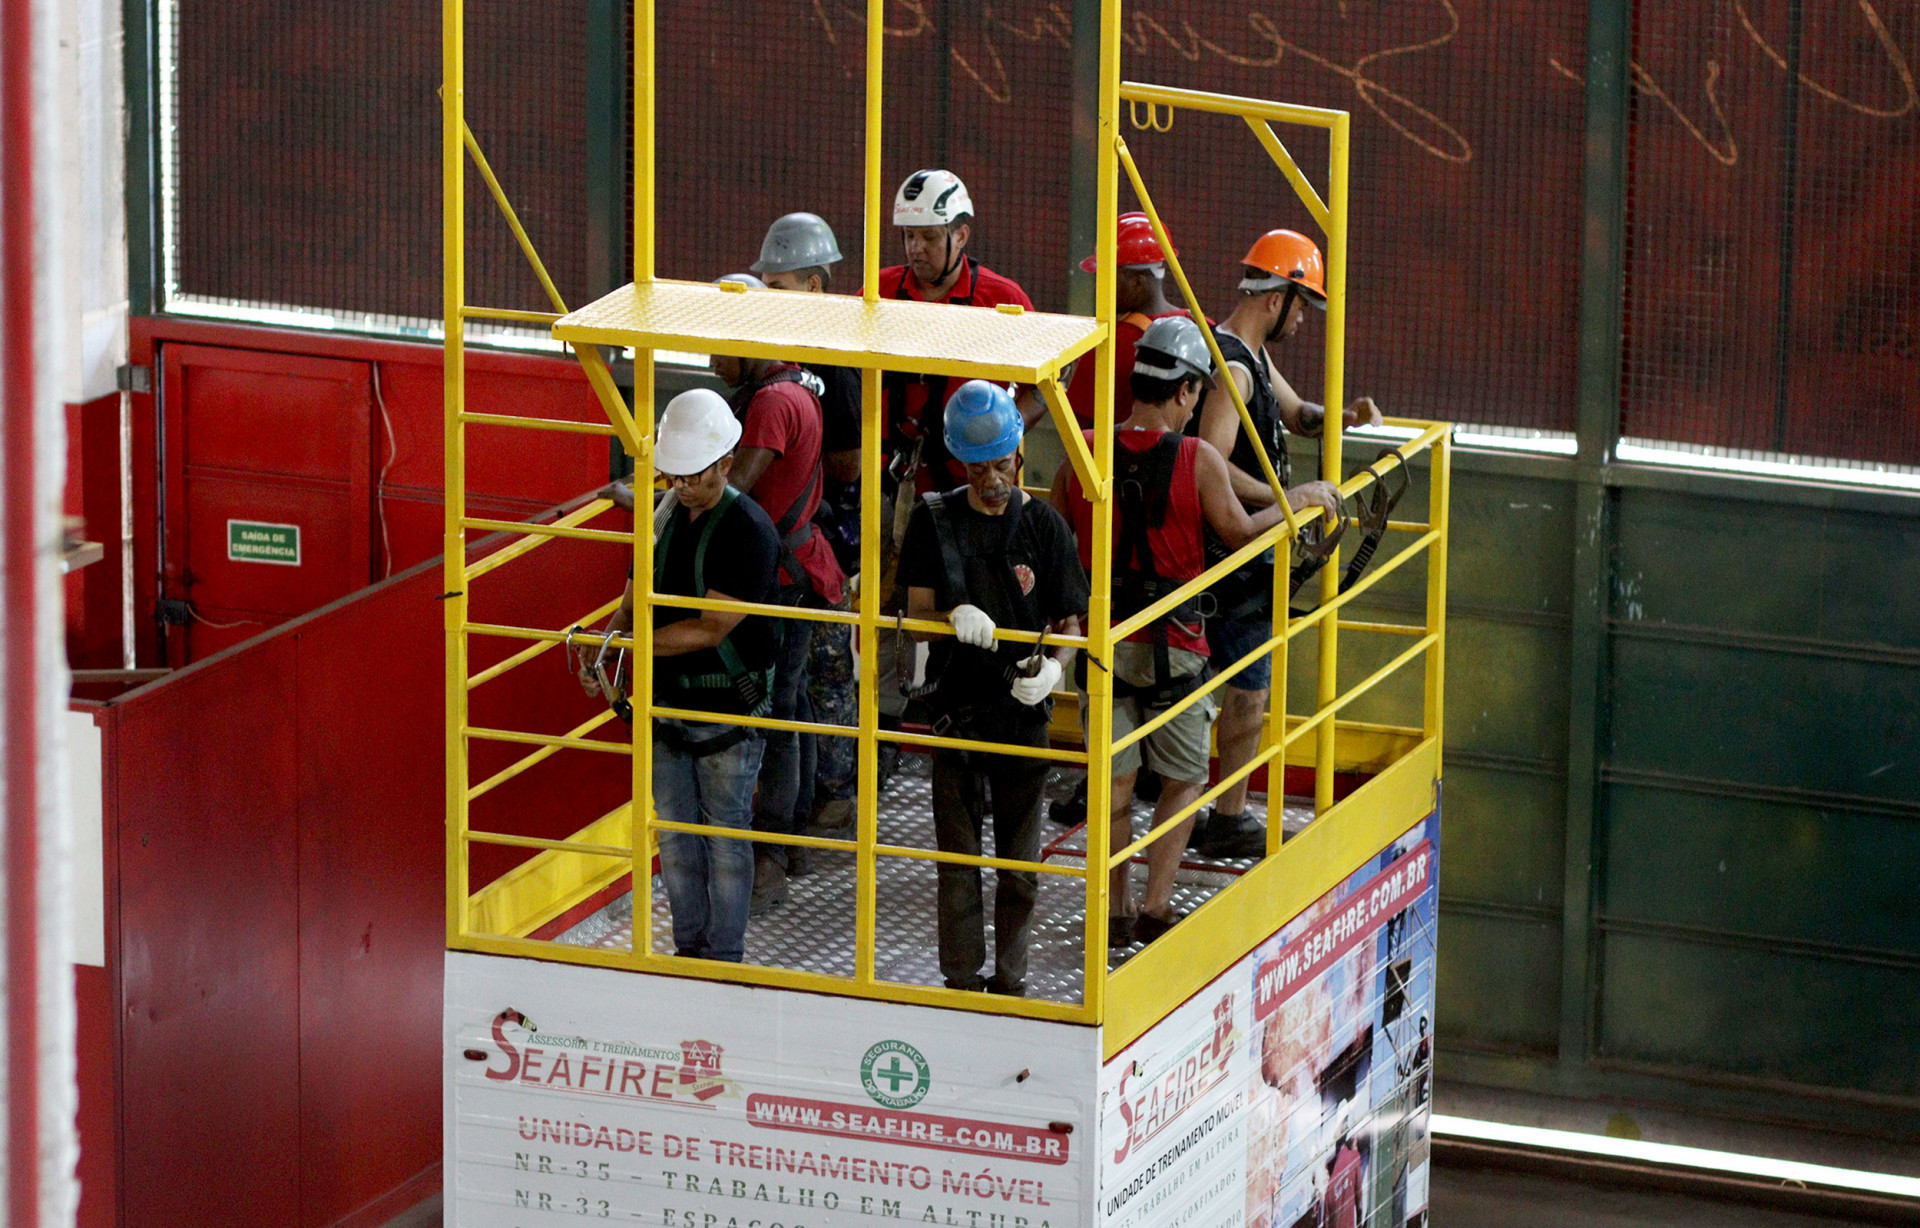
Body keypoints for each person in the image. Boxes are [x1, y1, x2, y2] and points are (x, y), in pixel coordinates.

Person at [1053, 317, 1340, 947]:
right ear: (1185, 392)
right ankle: (1155, 909)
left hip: (1102, 644)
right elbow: (1240, 531)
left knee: (1116, 779)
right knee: (1183, 778)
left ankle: (1114, 906)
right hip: (1176, 650)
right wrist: (1299, 501)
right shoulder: (1197, 459)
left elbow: (1059, 536)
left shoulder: (1086, 449)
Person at [1187, 229, 1382, 859]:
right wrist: (1283, 499)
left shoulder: (1251, 355)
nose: (1303, 320)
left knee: (1248, 690)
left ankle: (1228, 810)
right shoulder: (1236, 368)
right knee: (1244, 692)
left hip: (1245, 555)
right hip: (1230, 559)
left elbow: (1297, 415)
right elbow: (1208, 460)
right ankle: (1226, 815)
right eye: (1302, 306)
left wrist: (1341, 419)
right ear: (1278, 299)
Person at [575, 389, 778, 963]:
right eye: (673, 475)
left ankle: (723, 959)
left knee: (726, 842)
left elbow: (711, 628)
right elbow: (634, 593)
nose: (682, 486)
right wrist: (605, 646)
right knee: (677, 839)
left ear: (726, 463)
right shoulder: (664, 514)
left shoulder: (749, 531)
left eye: (693, 476)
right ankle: (690, 952)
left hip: (728, 714)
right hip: (666, 704)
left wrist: (628, 648)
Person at [901, 381, 1087, 995]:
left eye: (1002, 462)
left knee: (1020, 868)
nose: (992, 478)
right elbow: (916, 615)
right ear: (960, 462)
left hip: (1021, 720)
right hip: (956, 713)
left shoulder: (1045, 528)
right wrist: (950, 619)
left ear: (1019, 453)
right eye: (978, 466)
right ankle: (960, 978)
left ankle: (1011, 982)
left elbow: (1070, 622)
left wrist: (1056, 670)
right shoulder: (936, 522)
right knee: (959, 864)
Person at [710, 274, 848, 915]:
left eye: (718, 347)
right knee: (789, 706)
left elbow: (731, 487)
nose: (712, 361)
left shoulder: (770, 402)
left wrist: (653, 498)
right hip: (796, 569)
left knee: (776, 710)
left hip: (785, 579)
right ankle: (789, 837)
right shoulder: (794, 386)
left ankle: (772, 848)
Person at [751, 214, 860, 835]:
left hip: (827, 530)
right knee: (791, 683)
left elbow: (848, 460)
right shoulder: (782, 355)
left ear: (816, 285)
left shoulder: (836, 355)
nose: (768, 297)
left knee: (821, 668)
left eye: (780, 284)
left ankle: (836, 792)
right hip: (798, 527)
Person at [872, 169, 1043, 503]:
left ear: (961, 235)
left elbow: (1048, 386)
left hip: (974, 489)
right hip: (887, 485)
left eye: (930, 237)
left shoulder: (1003, 301)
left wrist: (998, 436)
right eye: (908, 236)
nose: (916, 249)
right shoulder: (878, 293)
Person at [1063, 212, 1191, 427]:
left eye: (1106, 276)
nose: (1097, 287)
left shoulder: (1107, 345)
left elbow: (1078, 435)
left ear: (1137, 282)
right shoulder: (1201, 327)